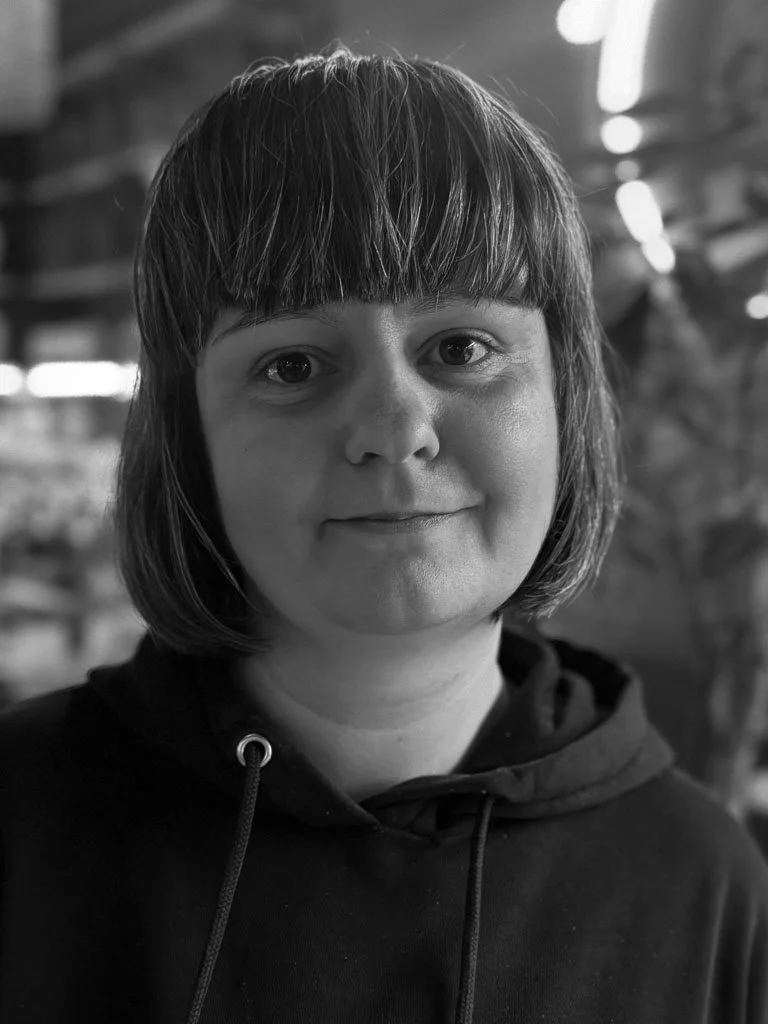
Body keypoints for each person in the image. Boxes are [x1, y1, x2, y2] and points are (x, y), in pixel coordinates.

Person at [1, 43, 767, 1024]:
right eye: (292, 365)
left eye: (462, 347)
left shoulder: (706, 889)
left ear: (567, 402)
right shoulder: (21, 828)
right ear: (187, 438)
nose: (394, 430)